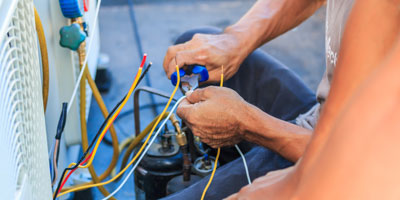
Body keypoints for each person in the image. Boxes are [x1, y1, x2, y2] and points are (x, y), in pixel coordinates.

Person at [162, 0, 400, 199]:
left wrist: (250, 125)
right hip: (324, 130)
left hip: (354, 171)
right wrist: (235, 40)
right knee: (192, 52)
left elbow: (366, 163)